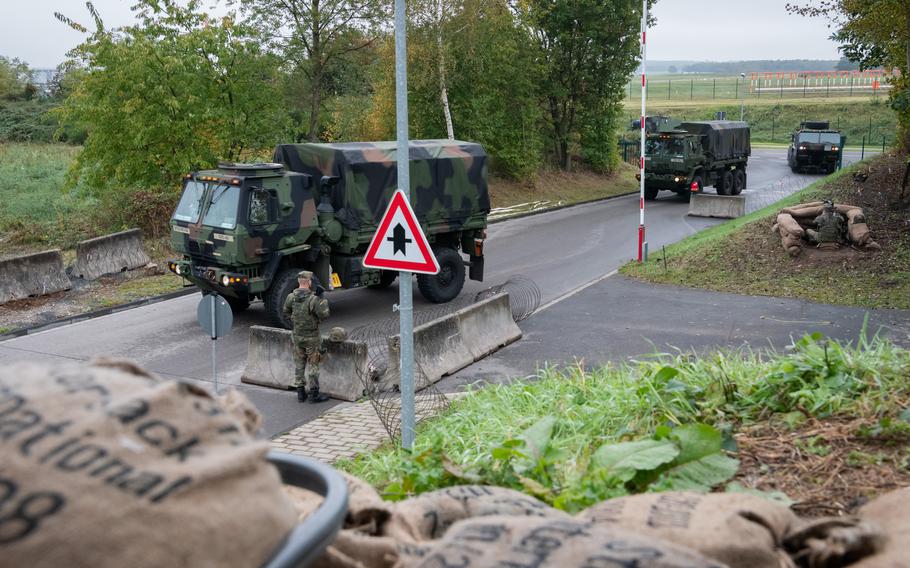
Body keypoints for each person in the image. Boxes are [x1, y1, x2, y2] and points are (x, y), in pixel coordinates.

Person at [283, 270, 330, 403]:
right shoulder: (313, 299)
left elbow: (285, 311)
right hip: (312, 338)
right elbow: (324, 314)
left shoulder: (291, 297)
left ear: (299, 282)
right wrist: (322, 299)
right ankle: (314, 394)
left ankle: (300, 393)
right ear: (309, 282)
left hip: (297, 337)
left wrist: (296, 319)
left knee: (299, 364)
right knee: (313, 365)